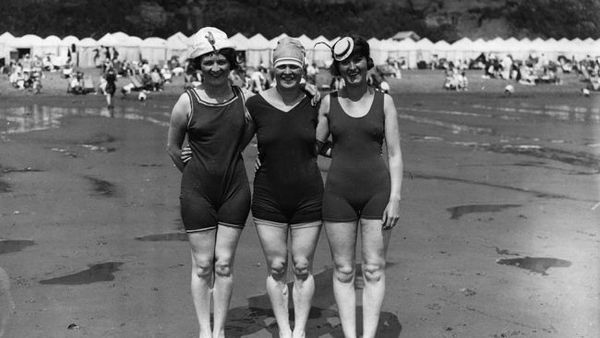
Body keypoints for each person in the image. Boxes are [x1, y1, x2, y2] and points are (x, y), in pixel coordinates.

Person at [315, 35, 403, 338]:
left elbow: (394, 154)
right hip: (338, 195)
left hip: (377, 194)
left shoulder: (384, 102)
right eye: (344, 62)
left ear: (367, 63)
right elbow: (311, 145)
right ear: (338, 67)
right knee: (342, 271)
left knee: (374, 270)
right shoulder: (329, 102)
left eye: (357, 60)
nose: (351, 67)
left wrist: (396, 198)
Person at [166, 27, 251, 338]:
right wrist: (194, 172)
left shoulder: (245, 99)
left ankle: (220, 330)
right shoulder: (186, 103)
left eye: (221, 61)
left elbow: (248, 134)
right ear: (197, 66)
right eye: (207, 62)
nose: (215, 68)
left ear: (231, 63)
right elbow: (174, 148)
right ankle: (205, 331)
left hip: (235, 191)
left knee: (224, 264)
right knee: (203, 265)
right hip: (197, 192)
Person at [243, 37, 324, 338]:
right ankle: (284, 328)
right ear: (273, 69)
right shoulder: (256, 104)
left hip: (308, 196)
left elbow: (329, 141)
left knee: (302, 266)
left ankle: (299, 330)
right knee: (277, 267)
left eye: (294, 66)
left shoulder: (315, 102)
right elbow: (233, 143)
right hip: (269, 197)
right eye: (282, 67)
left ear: (303, 69)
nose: (288, 72)